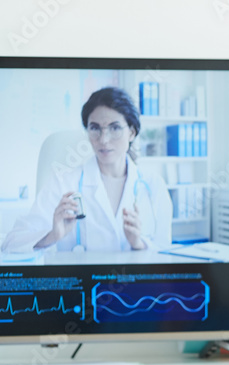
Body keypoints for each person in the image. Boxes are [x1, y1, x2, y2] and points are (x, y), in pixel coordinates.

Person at [2, 86, 172, 255]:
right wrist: (52, 236)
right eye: (95, 128)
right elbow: (11, 243)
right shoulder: (63, 184)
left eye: (115, 128)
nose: (104, 140)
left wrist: (139, 244)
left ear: (132, 132)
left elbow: (167, 254)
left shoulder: (153, 185)